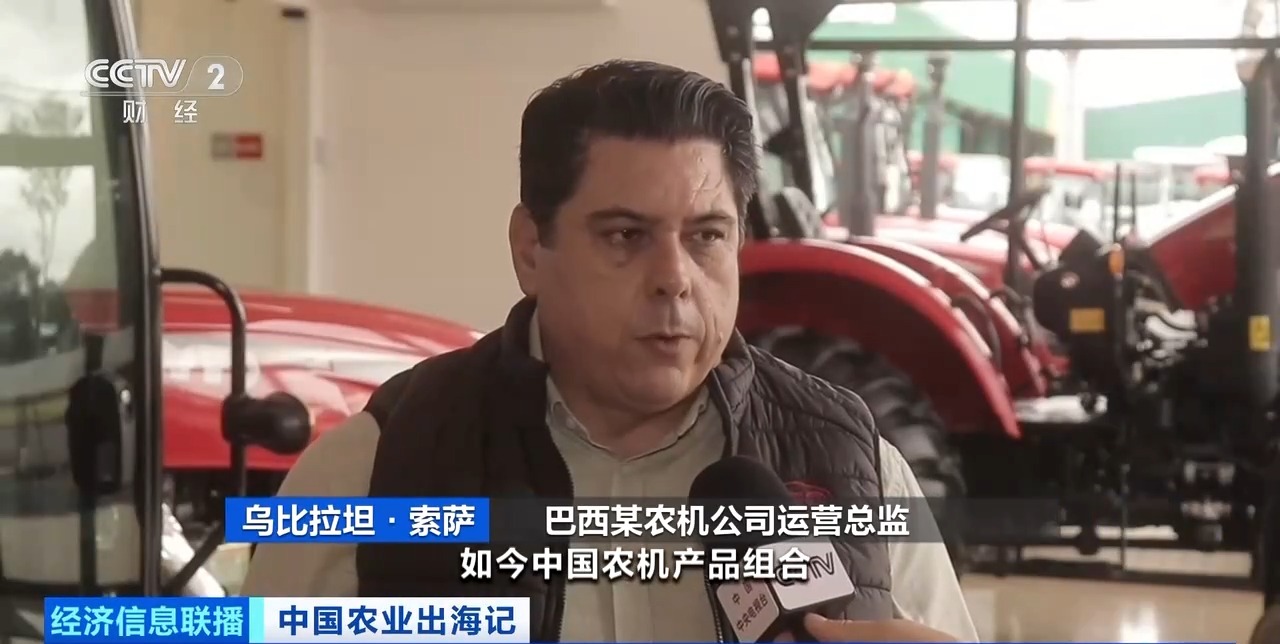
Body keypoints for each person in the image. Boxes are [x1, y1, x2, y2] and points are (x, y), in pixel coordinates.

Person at [241, 59, 979, 643]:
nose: (674, 279)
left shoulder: (854, 465)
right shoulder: (377, 469)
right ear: (530, 249)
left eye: (707, 236)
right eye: (626, 236)